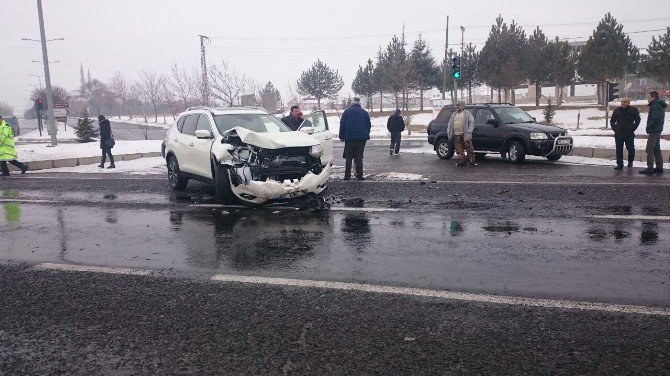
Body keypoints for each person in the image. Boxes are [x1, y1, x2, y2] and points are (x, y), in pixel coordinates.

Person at [339, 97, 371, 180]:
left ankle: (347, 176)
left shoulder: (346, 112)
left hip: (349, 139)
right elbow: (368, 125)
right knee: (359, 158)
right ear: (359, 103)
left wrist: (341, 136)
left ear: (352, 103)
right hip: (361, 139)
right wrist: (366, 134)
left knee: (348, 158)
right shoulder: (364, 112)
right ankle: (360, 176)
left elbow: (342, 124)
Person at [639, 91, 667, 175]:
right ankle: (659, 166)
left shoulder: (655, 106)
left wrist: (649, 127)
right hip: (658, 129)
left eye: (649, 97)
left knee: (650, 148)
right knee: (656, 148)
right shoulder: (659, 105)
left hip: (654, 130)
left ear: (653, 97)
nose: (647, 99)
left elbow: (655, 118)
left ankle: (650, 167)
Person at [610, 97, 641, 170]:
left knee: (630, 148)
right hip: (619, 134)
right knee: (619, 149)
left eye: (625, 102)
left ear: (628, 103)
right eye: (622, 102)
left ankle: (630, 162)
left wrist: (633, 128)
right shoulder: (617, 110)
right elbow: (612, 121)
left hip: (629, 133)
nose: (623, 103)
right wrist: (615, 129)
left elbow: (637, 120)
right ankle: (619, 164)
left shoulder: (634, 110)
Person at [447, 101, 477, 167]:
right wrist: (449, 131)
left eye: (459, 105)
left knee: (469, 148)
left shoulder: (467, 113)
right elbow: (449, 124)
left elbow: (472, 123)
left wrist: (469, 131)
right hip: (456, 134)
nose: (457, 107)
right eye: (456, 105)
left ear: (462, 106)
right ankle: (462, 162)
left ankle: (472, 162)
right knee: (459, 149)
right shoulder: (454, 114)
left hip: (465, 134)